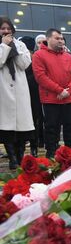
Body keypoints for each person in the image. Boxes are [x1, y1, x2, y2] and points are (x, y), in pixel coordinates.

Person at [32, 28, 71, 158]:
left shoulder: (68, 56)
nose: (60, 41)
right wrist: (60, 90)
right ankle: (52, 154)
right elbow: (41, 77)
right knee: (52, 128)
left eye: (61, 38)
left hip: (68, 99)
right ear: (48, 39)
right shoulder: (38, 55)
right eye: (57, 38)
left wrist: (68, 91)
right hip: (51, 100)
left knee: (70, 127)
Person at [0, 18, 35, 169]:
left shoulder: (21, 45)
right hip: (3, 90)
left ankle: (20, 157)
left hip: (20, 89)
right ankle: (12, 159)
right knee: (7, 127)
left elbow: (25, 64)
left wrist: (14, 47)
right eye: (3, 28)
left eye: (8, 28)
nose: (6, 31)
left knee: (22, 126)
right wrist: (4, 46)